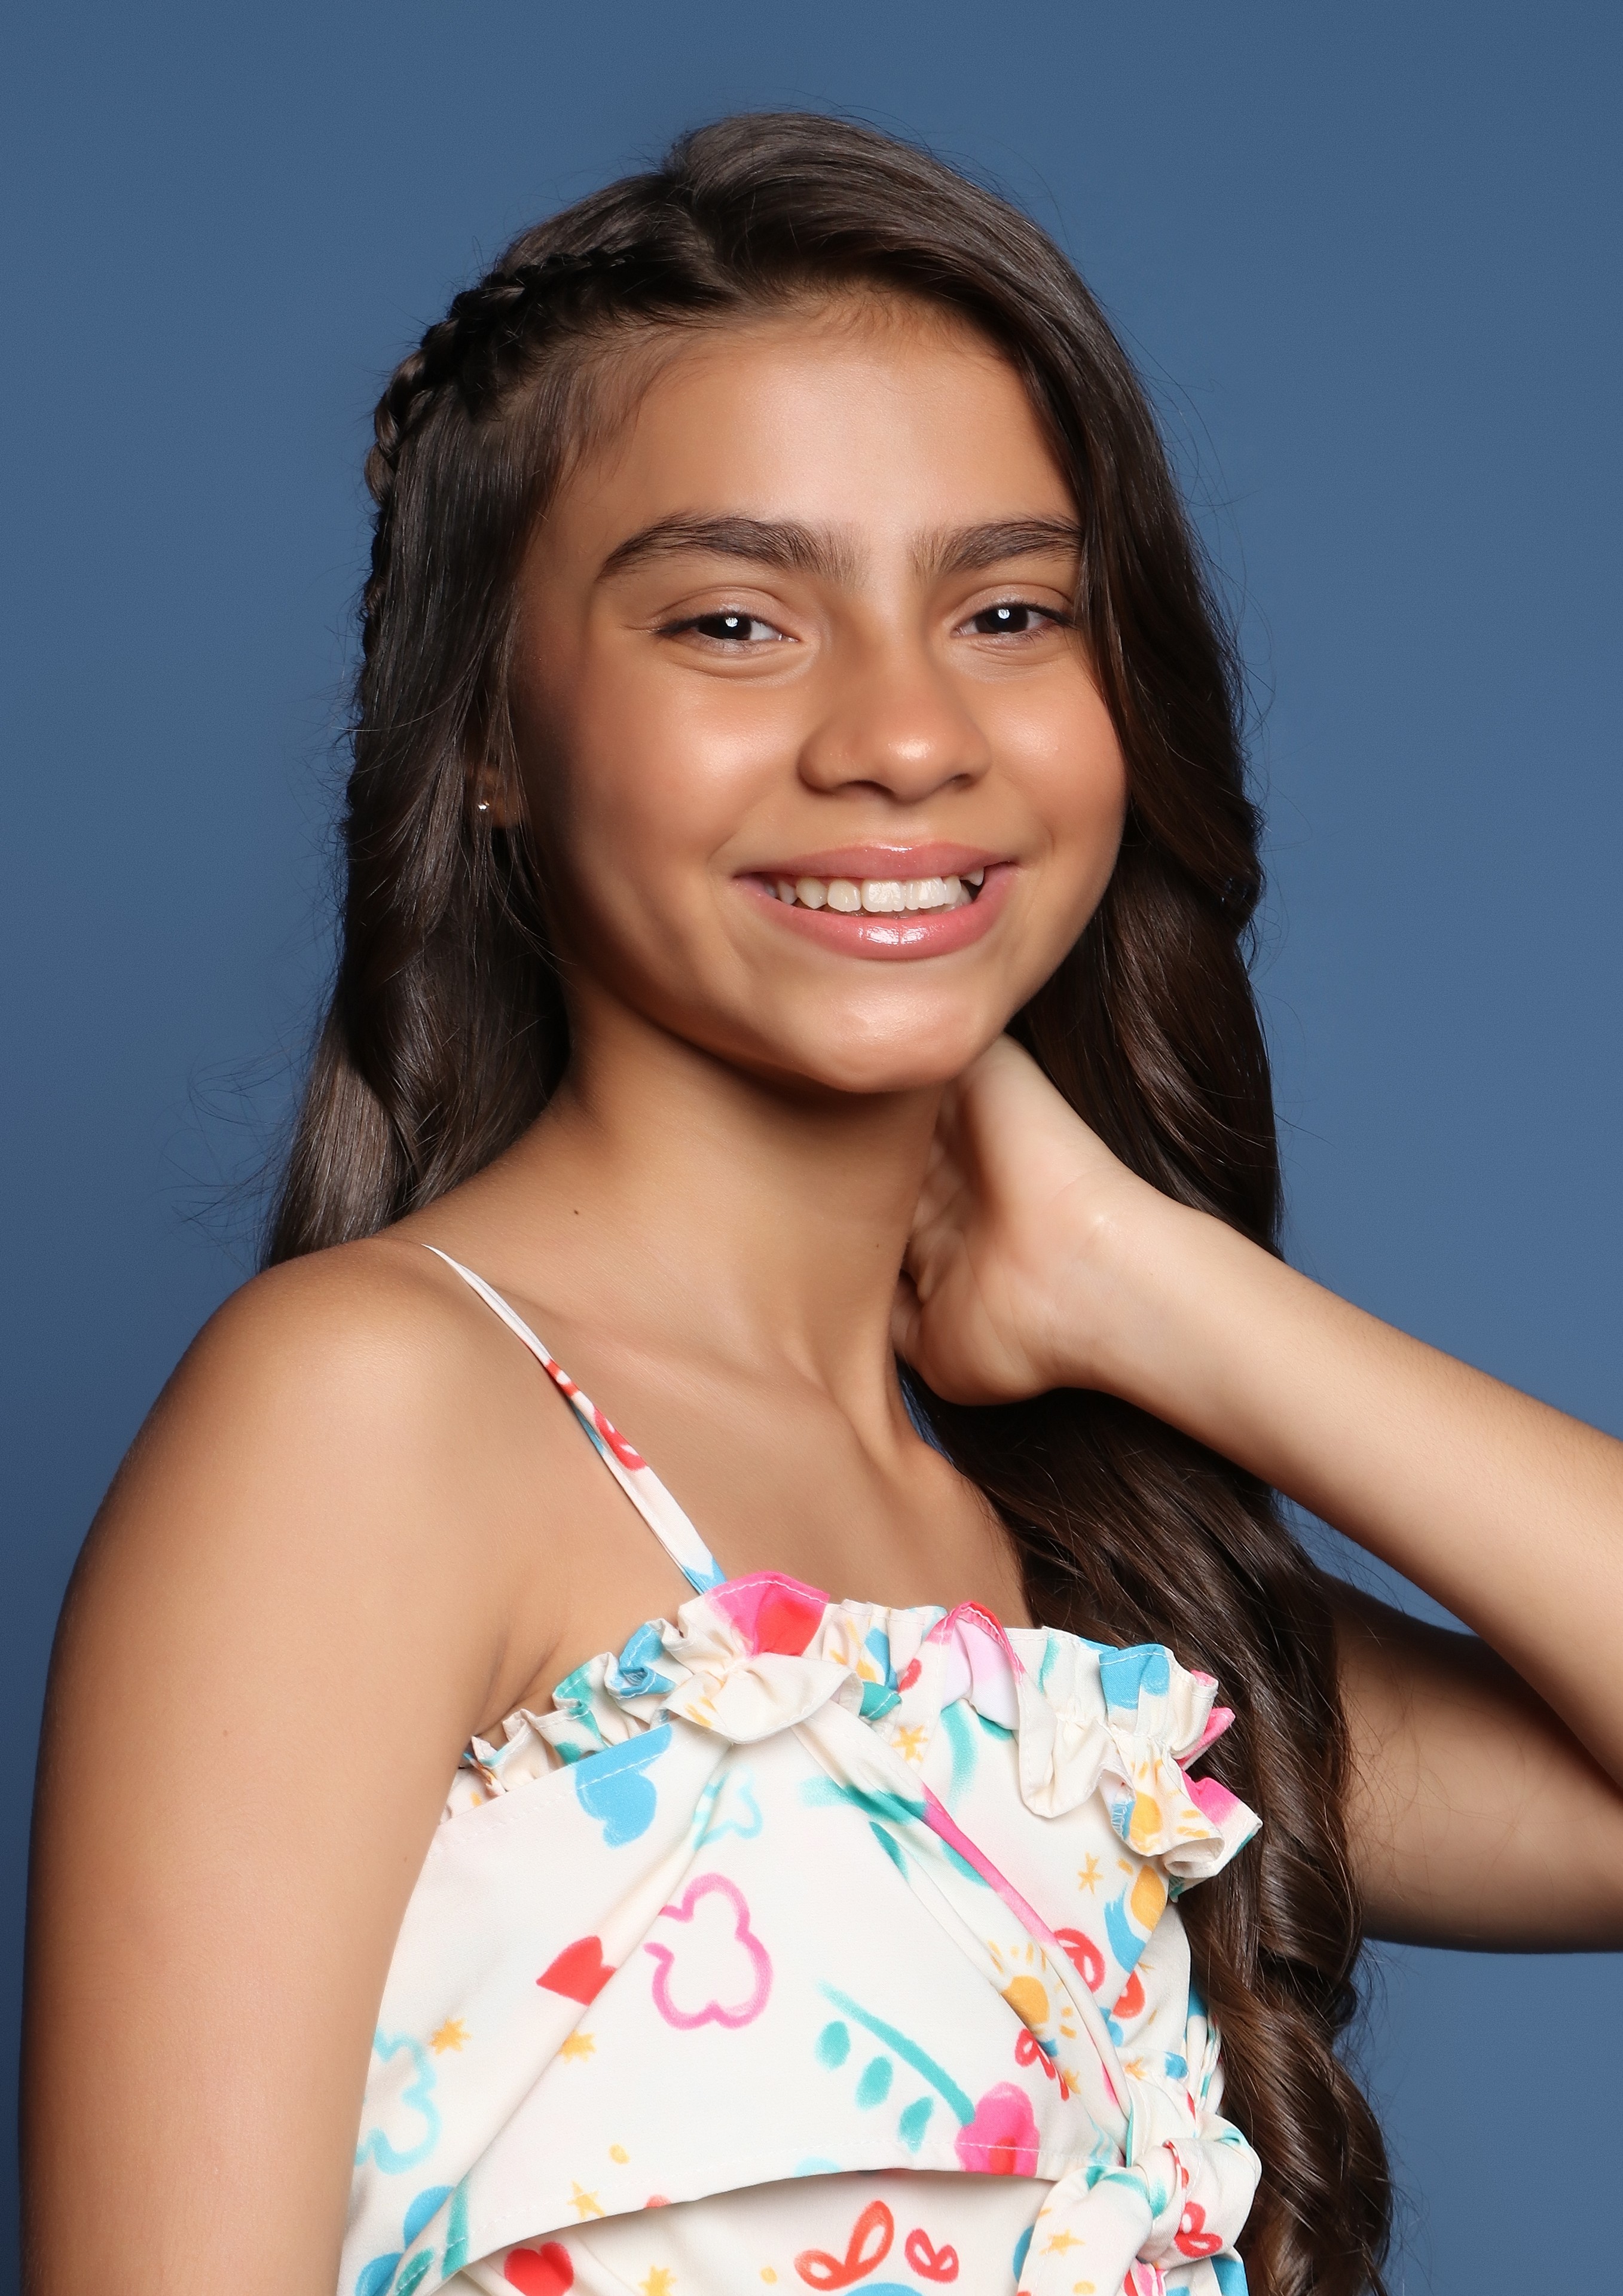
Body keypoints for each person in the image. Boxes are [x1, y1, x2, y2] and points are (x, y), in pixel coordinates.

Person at [21, 113, 1623, 2296]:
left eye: (1007, 610)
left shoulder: (1083, 1588)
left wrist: (1151, 1288)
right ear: (488, 733)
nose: (903, 733)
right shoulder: (374, 1415)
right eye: (733, 619)